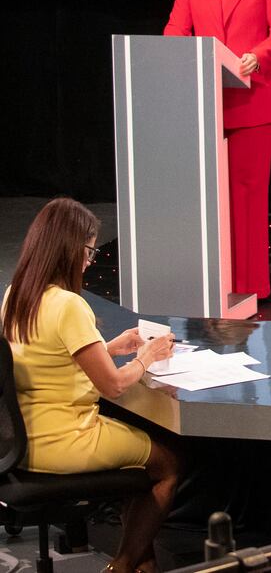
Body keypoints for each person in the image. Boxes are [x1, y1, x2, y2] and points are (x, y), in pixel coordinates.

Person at [2, 198, 179, 573]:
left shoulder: (16, 293)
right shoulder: (68, 305)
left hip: (20, 443)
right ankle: (124, 564)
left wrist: (110, 347)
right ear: (68, 249)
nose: (89, 260)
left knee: (141, 454)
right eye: (88, 250)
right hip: (65, 440)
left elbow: (50, 357)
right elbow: (113, 386)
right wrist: (146, 357)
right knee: (168, 463)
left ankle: (143, 562)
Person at [164, 0, 271, 299]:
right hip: (205, 100)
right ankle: (210, 282)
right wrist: (183, 54)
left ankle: (250, 286)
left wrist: (259, 56)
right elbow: (176, 26)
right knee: (208, 197)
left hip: (252, 102)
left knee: (247, 197)